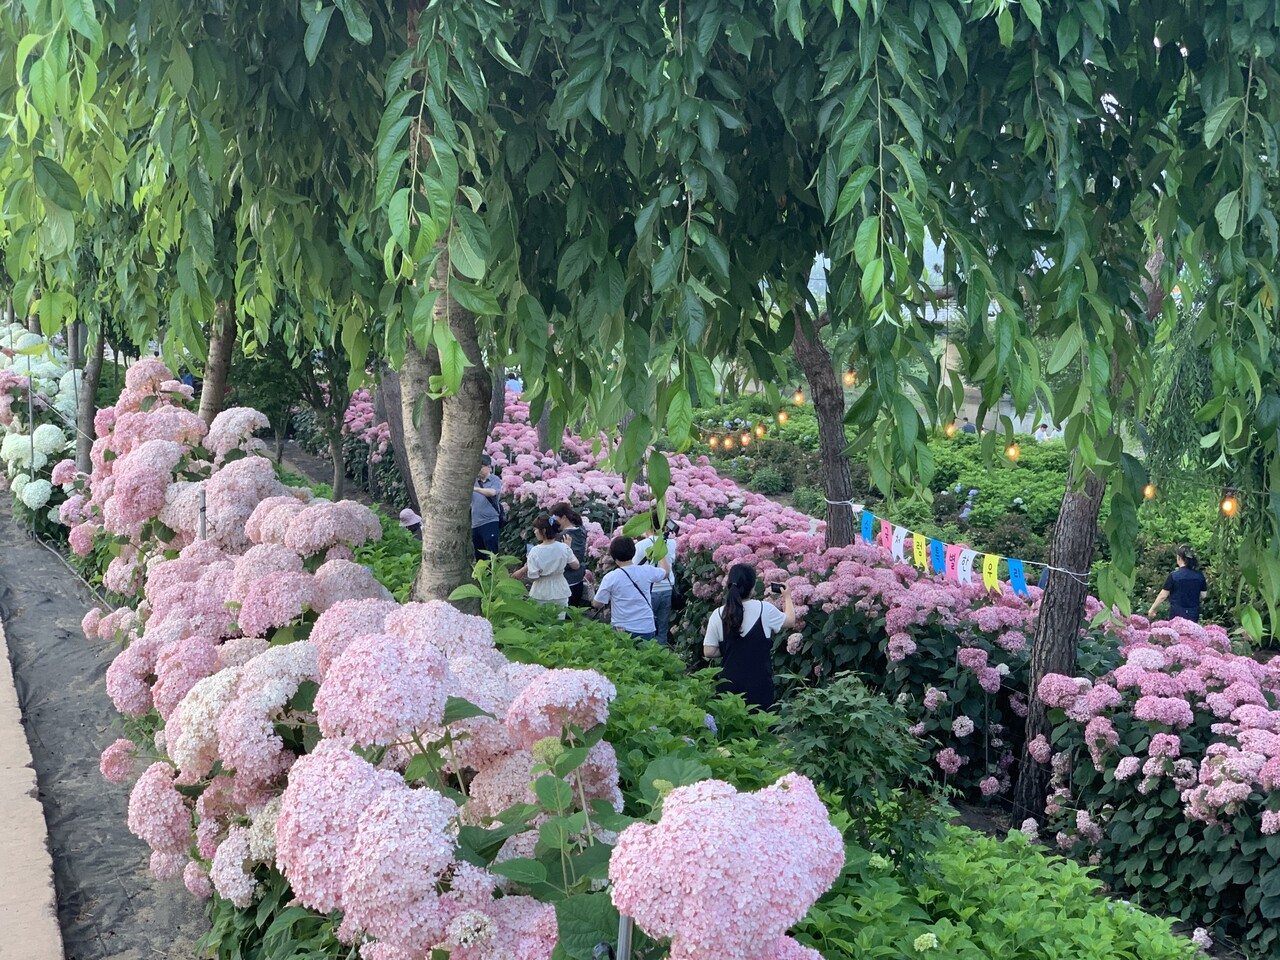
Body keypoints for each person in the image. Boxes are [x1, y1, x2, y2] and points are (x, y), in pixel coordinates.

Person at [702, 565, 795, 710]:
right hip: (759, 687)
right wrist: (787, 597)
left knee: (730, 728)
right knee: (761, 729)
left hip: (729, 687)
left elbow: (708, 651)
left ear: (729, 585)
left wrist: (731, 648)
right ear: (752, 588)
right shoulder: (765, 609)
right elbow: (790, 621)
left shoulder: (718, 614)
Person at [593, 537, 670, 642]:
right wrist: (661, 553)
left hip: (622, 629)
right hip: (645, 627)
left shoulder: (611, 577)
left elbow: (597, 603)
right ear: (633, 552)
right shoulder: (647, 571)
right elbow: (666, 572)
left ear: (613, 555)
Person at [512, 515, 579, 613]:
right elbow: (576, 565)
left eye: (536, 529)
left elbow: (533, 576)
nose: (534, 532)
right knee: (559, 622)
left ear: (543, 531)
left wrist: (527, 567)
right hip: (561, 589)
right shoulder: (564, 547)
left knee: (541, 621)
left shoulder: (535, 551)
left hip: (541, 591)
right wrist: (568, 548)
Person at [635, 511, 678, 644]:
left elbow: (634, 567)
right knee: (663, 627)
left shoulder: (640, 545)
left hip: (649, 590)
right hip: (666, 589)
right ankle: (661, 654)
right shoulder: (671, 543)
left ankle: (646, 652)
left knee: (646, 625)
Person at [1148, 544, 1208, 623]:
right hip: (1193, 613)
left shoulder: (1174, 575)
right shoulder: (1199, 575)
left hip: (1177, 612)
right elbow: (1204, 595)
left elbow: (1163, 596)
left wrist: (1152, 609)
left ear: (1179, 558)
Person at [550, 502, 589, 606]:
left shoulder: (562, 537)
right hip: (578, 579)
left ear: (563, 517)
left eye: (555, 519)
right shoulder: (581, 530)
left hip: (565, 582)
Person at [471, 455, 503, 559]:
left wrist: (475, 489)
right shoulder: (474, 480)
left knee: (491, 553)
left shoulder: (494, 480)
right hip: (475, 524)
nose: (478, 470)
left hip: (490, 521)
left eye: (480, 467)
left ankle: (493, 575)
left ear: (488, 467)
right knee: (479, 555)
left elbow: (492, 492)